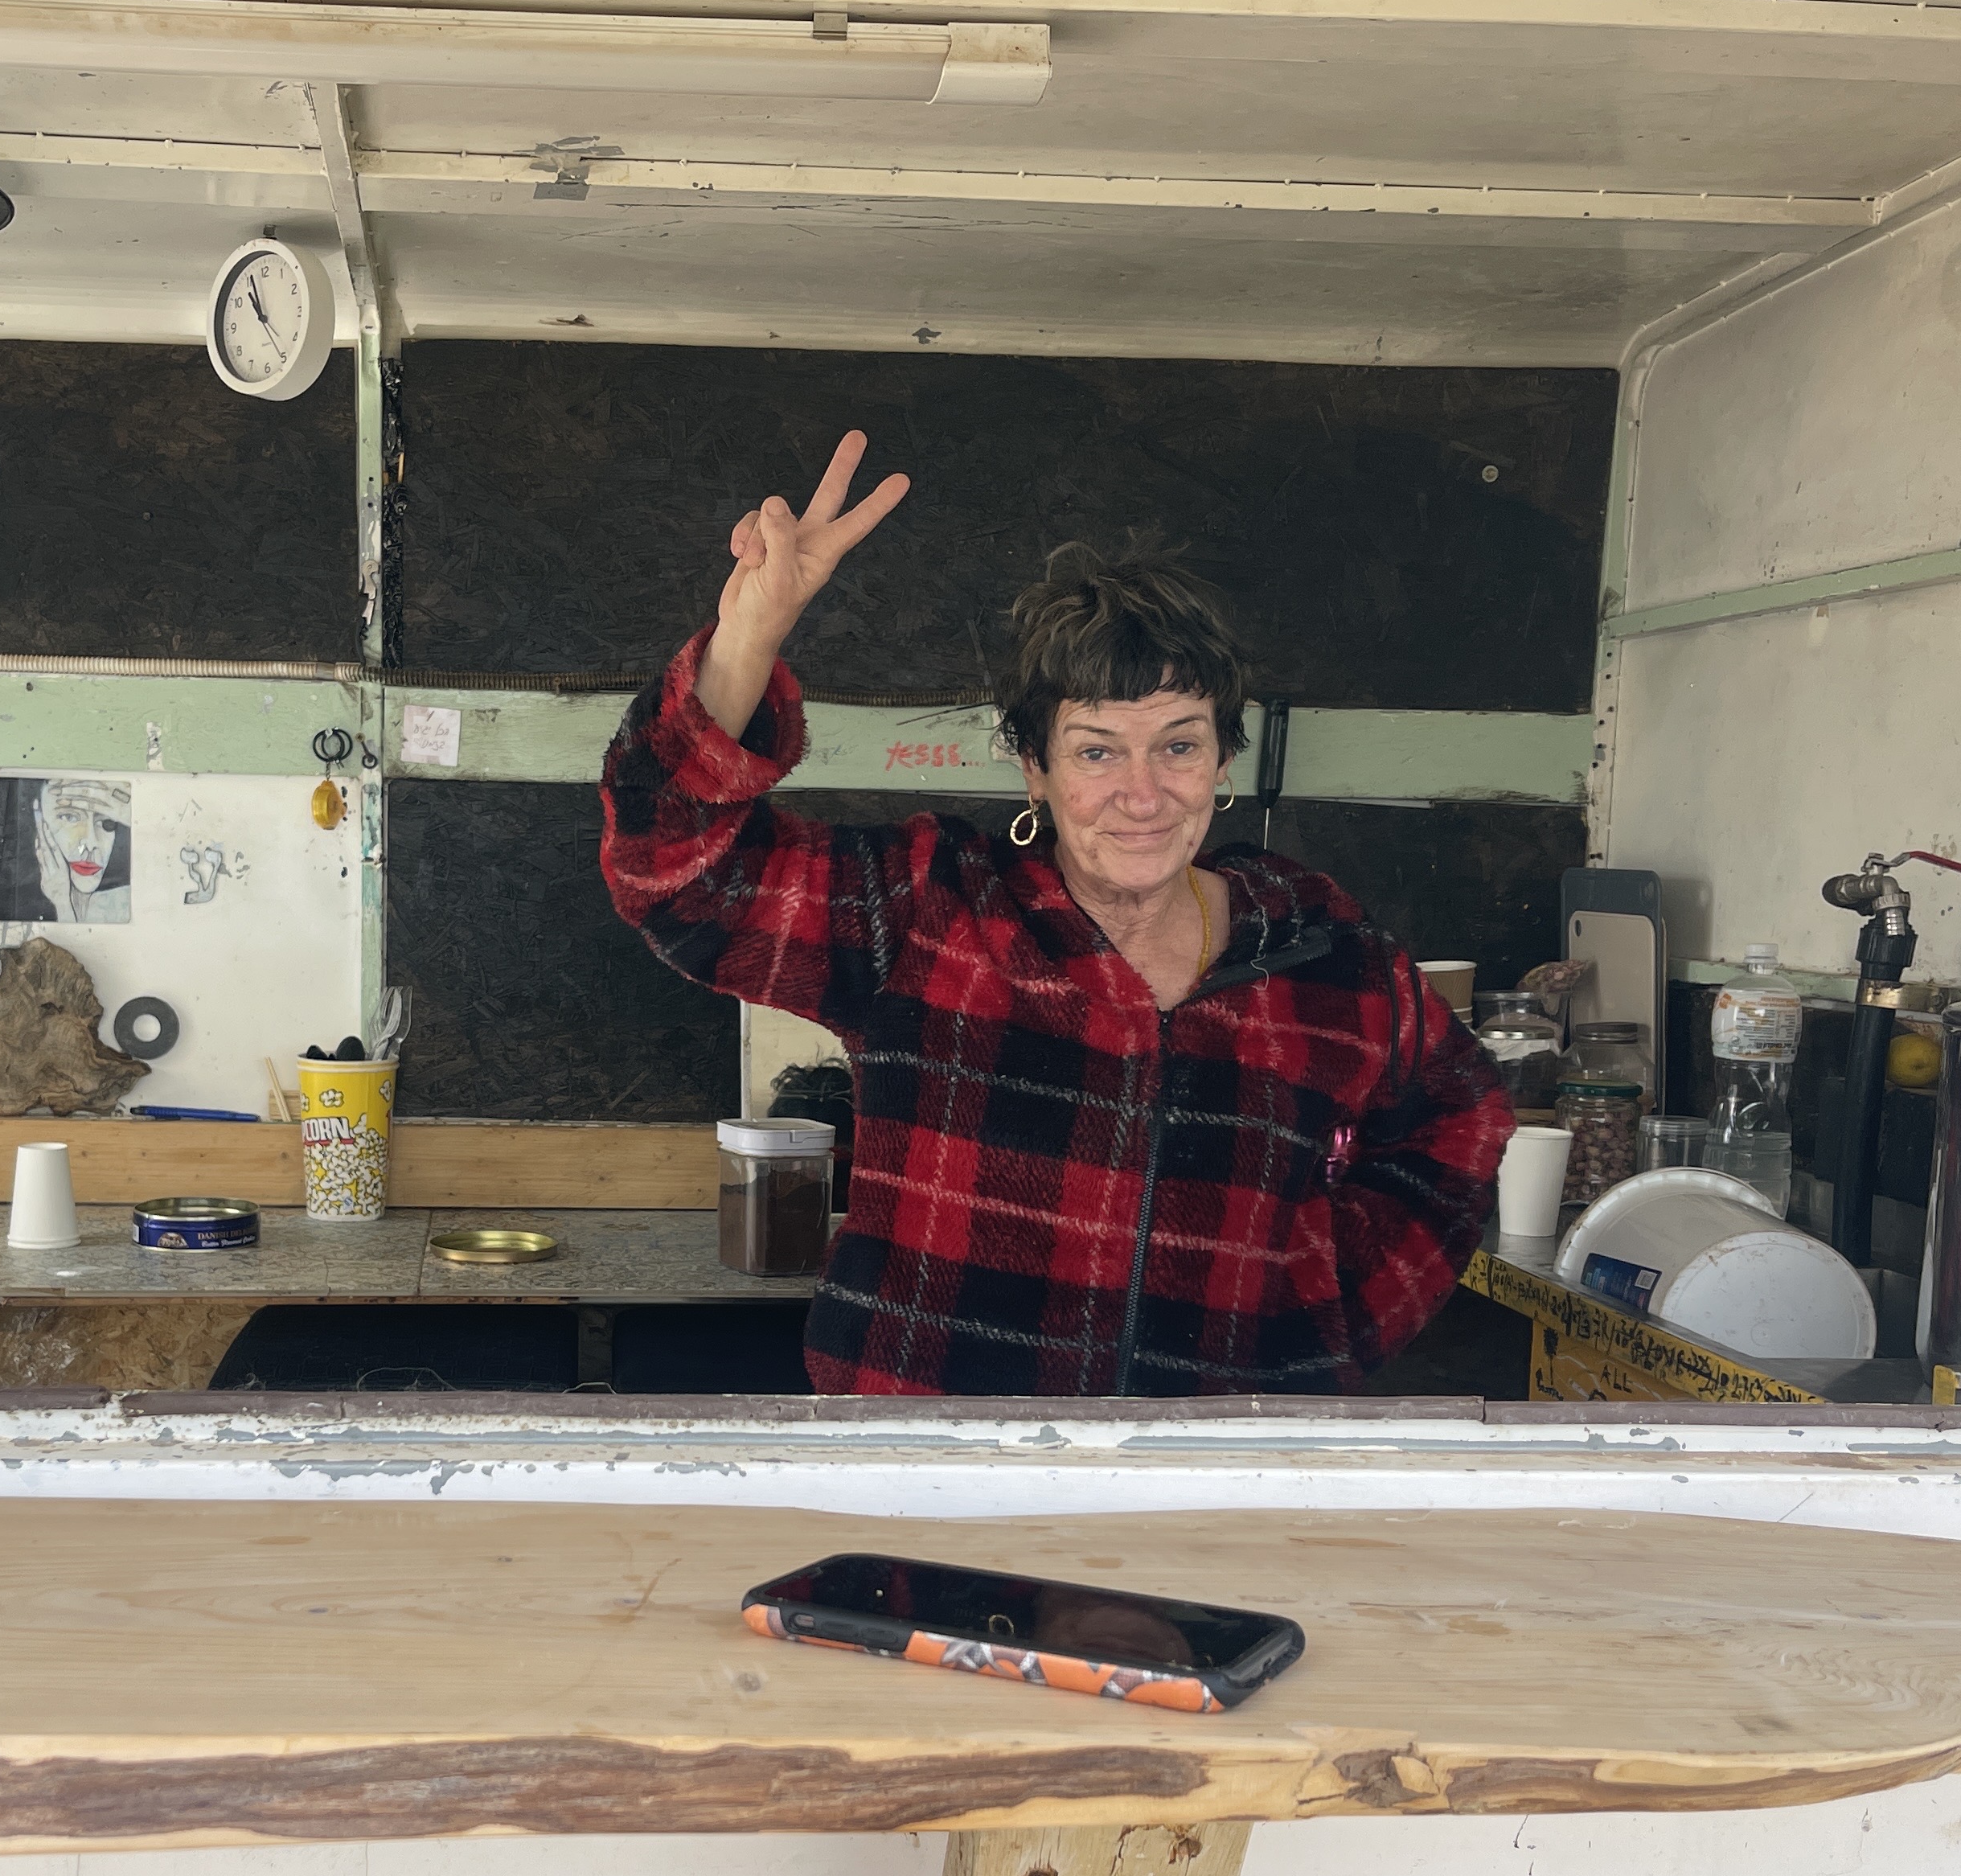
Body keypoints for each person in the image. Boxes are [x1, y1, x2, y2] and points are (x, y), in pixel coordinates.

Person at [601, 430, 1514, 1396]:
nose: (1143, 794)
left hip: (1219, 1466)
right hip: (932, 1458)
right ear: (1035, 767)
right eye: (1096, 751)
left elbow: (1462, 1119)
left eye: (1179, 745)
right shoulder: (931, 907)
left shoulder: (1319, 950)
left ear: (1223, 758)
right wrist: (748, 638)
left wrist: (1327, 1313)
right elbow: (673, 874)